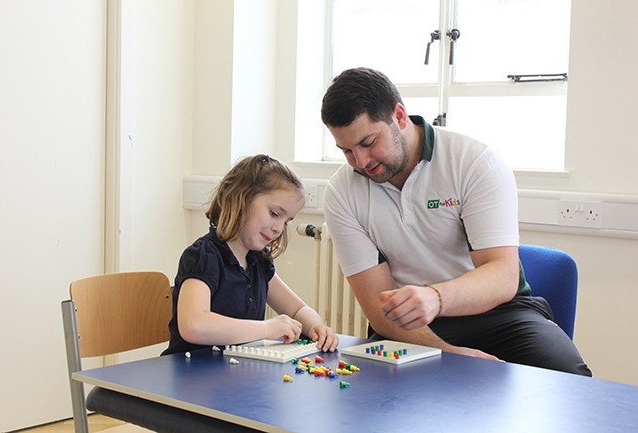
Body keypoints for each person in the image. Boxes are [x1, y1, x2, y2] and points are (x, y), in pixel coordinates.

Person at [320, 67, 591, 376]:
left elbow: (502, 276)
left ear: (399, 116)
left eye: (368, 142)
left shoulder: (473, 161)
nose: (361, 162)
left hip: (502, 314)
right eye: (347, 151)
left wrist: (436, 298)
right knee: (373, 403)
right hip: (408, 323)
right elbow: (378, 309)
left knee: (568, 378)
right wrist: (451, 354)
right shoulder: (342, 192)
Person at [162, 154, 338, 355]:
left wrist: (316, 326)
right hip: (191, 376)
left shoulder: (258, 261)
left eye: (286, 221)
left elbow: (297, 310)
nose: (279, 229)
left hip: (235, 374)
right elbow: (194, 325)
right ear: (241, 199)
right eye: (274, 214)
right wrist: (267, 328)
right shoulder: (203, 256)